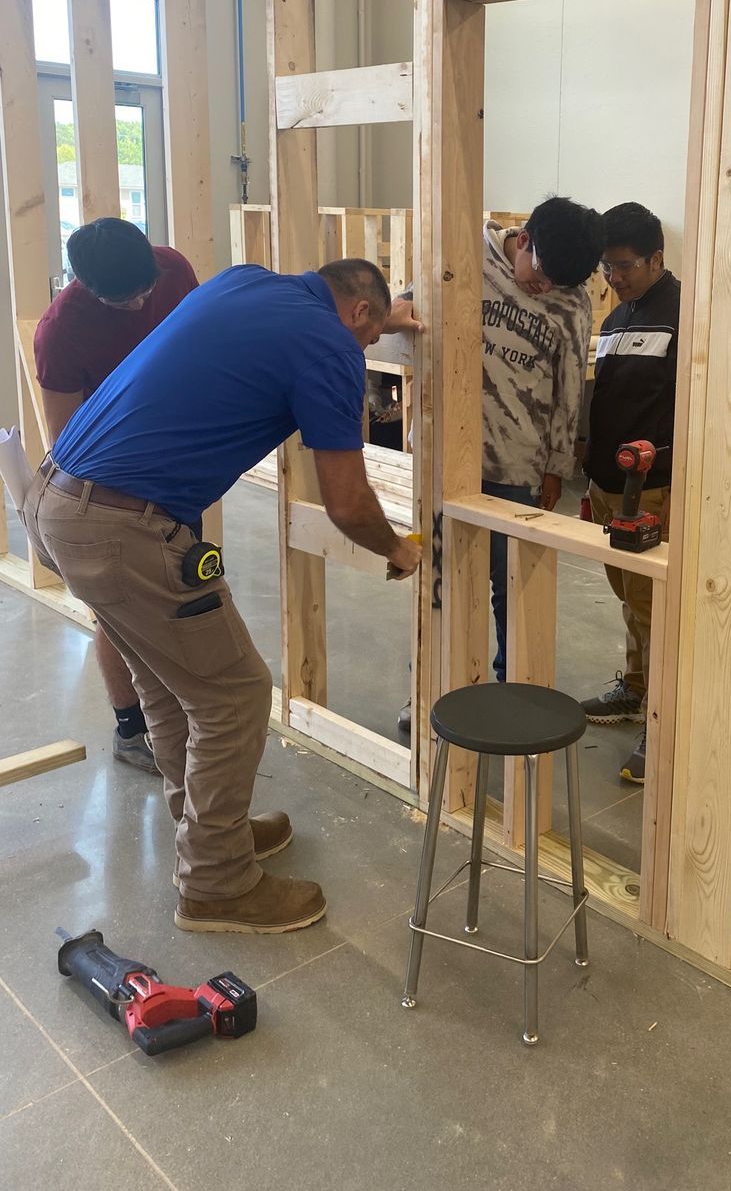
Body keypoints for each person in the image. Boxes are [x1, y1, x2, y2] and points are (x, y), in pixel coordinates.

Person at [23, 258, 421, 936]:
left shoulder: (246, 282)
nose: (364, 351)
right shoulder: (329, 342)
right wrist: (399, 549)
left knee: (172, 682)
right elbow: (349, 504)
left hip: (55, 500)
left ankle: (207, 829)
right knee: (234, 694)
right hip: (125, 528)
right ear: (358, 314)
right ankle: (216, 882)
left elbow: (305, 334)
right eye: (368, 336)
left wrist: (390, 318)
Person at [396, 196, 603, 734]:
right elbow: (404, 307)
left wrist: (556, 465)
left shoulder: (573, 302)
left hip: (517, 467)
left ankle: (515, 693)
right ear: (524, 238)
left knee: (512, 588)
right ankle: (429, 691)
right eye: (542, 274)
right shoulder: (461, 258)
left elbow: (569, 387)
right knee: (439, 580)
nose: (546, 288)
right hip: (442, 459)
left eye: (563, 283)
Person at [34, 218, 199, 774]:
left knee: (186, 589)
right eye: (120, 299)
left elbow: (202, 340)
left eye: (144, 291)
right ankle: (132, 730)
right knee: (118, 611)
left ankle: (175, 716)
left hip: (176, 466)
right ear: (83, 284)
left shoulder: (172, 269)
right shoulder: (61, 330)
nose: (138, 305)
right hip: (111, 482)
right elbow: (66, 438)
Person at [580, 203, 680, 784]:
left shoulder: (684, 313)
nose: (612, 278)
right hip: (607, 484)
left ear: (656, 258)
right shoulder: (617, 320)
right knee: (626, 594)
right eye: (606, 267)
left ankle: (662, 721)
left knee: (655, 606)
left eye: (622, 266)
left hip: (654, 486)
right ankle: (636, 690)